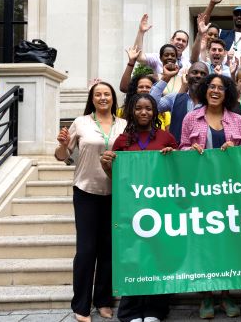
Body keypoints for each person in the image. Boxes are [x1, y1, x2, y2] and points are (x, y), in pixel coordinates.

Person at [100, 93, 176, 322]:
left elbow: (179, 172)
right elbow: (116, 177)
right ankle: (131, 310)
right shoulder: (123, 140)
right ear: (132, 112)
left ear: (155, 113)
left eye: (148, 109)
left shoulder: (167, 138)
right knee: (133, 257)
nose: (144, 112)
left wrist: (173, 157)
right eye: (139, 108)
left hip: (161, 207)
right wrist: (107, 166)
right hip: (132, 209)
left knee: (159, 256)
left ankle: (155, 310)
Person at [54, 81, 127, 322]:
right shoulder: (80, 122)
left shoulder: (124, 125)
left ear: (113, 99)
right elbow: (62, 157)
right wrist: (63, 145)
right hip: (86, 191)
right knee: (86, 250)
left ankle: (104, 301)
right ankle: (81, 304)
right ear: (92, 99)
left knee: (108, 249)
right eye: (98, 94)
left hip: (116, 193)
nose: (103, 98)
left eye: (107, 94)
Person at [179, 74, 241, 318]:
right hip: (201, 192)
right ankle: (206, 296)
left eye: (221, 88)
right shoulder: (190, 118)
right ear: (205, 91)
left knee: (227, 244)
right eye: (212, 87)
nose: (216, 91)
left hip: (229, 193)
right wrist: (190, 149)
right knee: (204, 244)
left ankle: (226, 295)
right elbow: (181, 148)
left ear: (227, 93)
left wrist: (235, 150)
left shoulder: (237, 120)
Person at [150, 61, 209, 144]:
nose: (198, 76)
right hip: (177, 152)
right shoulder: (174, 98)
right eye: (195, 72)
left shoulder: (213, 102)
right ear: (187, 77)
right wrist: (166, 77)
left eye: (203, 74)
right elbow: (152, 106)